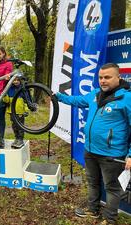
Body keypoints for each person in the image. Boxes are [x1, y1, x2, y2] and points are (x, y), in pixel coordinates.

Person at [56, 63, 131, 225]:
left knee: (112, 188)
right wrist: (59, 97)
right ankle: (93, 210)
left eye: (107, 77)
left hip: (112, 154)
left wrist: (130, 154)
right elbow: (77, 100)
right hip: (90, 150)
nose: (103, 81)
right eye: (100, 77)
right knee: (92, 182)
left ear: (119, 77)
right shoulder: (95, 94)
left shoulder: (127, 98)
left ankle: (110, 219)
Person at [3, 77, 26, 149]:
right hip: (11, 112)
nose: (16, 82)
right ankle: (16, 138)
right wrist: (4, 95)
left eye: (17, 80)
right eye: (14, 80)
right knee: (14, 126)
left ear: (20, 81)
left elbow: (26, 101)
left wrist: (26, 110)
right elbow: (6, 101)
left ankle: (20, 140)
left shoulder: (23, 89)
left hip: (20, 112)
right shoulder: (10, 89)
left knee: (20, 126)